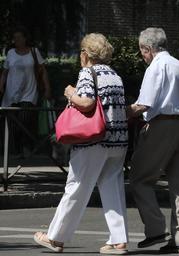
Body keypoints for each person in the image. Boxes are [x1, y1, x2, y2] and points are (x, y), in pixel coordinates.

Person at [33, 33, 129, 255]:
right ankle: (119, 240)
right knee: (112, 188)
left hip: (93, 141)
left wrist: (70, 92)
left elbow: (86, 103)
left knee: (76, 186)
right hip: (118, 141)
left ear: (86, 54)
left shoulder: (88, 72)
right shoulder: (115, 75)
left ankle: (56, 237)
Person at [127, 27, 179, 254]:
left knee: (139, 177)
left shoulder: (156, 67)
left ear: (147, 48)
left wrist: (119, 112)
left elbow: (143, 105)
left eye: (142, 51)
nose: (143, 56)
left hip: (162, 125)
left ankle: (155, 228)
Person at [0, 26, 51, 157]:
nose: (16, 40)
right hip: (11, 94)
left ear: (25, 38)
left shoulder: (34, 52)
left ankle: (26, 148)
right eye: (14, 38)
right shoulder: (11, 53)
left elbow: (42, 70)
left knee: (25, 119)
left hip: (29, 93)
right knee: (13, 124)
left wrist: (47, 88)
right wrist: (1, 86)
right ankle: (16, 151)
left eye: (19, 37)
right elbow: (5, 72)